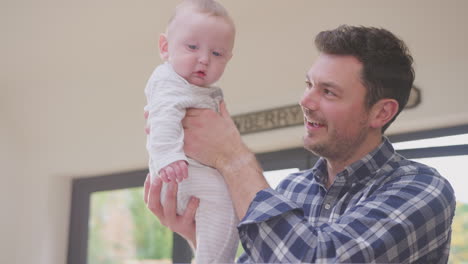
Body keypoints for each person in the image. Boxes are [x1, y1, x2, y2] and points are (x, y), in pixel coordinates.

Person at [144, 25, 456, 263]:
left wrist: (233, 157)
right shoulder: (291, 190)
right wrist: (202, 236)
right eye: (309, 84)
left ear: (381, 111)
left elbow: (316, 257)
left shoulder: (422, 190)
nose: (305, 101)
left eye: (328, 91)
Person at [143, 0, 239, 263]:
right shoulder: (169, 81)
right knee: (224, 201)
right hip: (180, 170)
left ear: (228, 59)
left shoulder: (190, 85)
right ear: (165, 47)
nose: (204, 59)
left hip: (188, 171)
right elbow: (161, 118)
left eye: (217, 54)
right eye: (192, 47)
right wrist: (169, 157)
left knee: (228, 209)